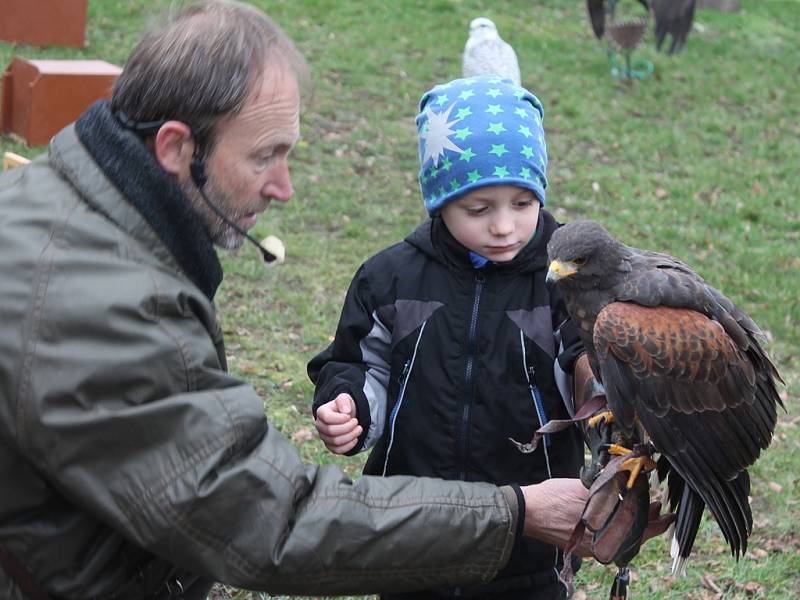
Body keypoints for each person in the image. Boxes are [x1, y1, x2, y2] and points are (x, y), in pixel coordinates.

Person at [0, 2, 666, 598]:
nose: (285, 188)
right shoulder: (103, 302)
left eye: (521, 204)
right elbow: (265, 520)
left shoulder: (66, 216)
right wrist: (513, 513)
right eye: (265, 156)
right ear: (175, 148)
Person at [309, 75, 593, 599]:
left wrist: (609, 401)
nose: (505, 226)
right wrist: (347, 404)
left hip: (530, 543)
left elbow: (588, 375)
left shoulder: (565, 283)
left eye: (523, 202)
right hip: (411, 527)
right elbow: (358, 363)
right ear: (439, 201)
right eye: (479, 209)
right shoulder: (389, 278)